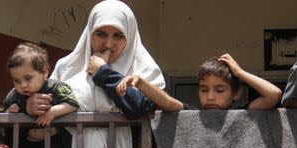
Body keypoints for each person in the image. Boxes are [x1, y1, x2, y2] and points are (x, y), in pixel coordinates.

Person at [25, 0, 165, 148]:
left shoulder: (143, 70)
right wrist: (30, 104)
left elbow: (138, 106)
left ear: (129, 36)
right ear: (89, 33)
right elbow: (40, 106)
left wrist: (103, 72)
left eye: (118, 36)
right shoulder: (67, 68)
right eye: (101, 33)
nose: (108, 43)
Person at [3, 42, 78, 148]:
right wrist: (13, 112)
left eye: (28, 78)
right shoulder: (13, 95)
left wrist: (53, 112)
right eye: (16, 80)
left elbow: (72, 103)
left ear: (44, 71)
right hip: (27, 147)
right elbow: (4, 114)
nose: (22, 85)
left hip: (53, 144)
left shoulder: (56, 87)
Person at [116, 53, 282, 110]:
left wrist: (239, 72)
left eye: (219, 90)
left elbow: (274, 95)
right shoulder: (193, 115)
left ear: (236, 93)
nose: (210, 97)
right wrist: (140, 82)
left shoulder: (244, 113)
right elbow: (167, 102)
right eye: (204, 90)